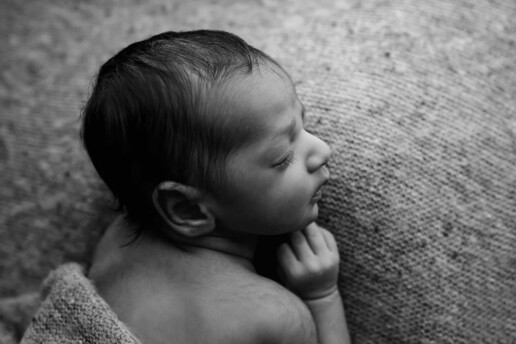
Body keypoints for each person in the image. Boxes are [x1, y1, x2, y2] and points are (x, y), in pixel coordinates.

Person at [83, 30, 350, 344]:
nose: (322, 151)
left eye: (303, 125)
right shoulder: (270, 316)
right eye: (282, 157)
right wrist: (321, 296)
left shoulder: (115, 241)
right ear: (187, 209)